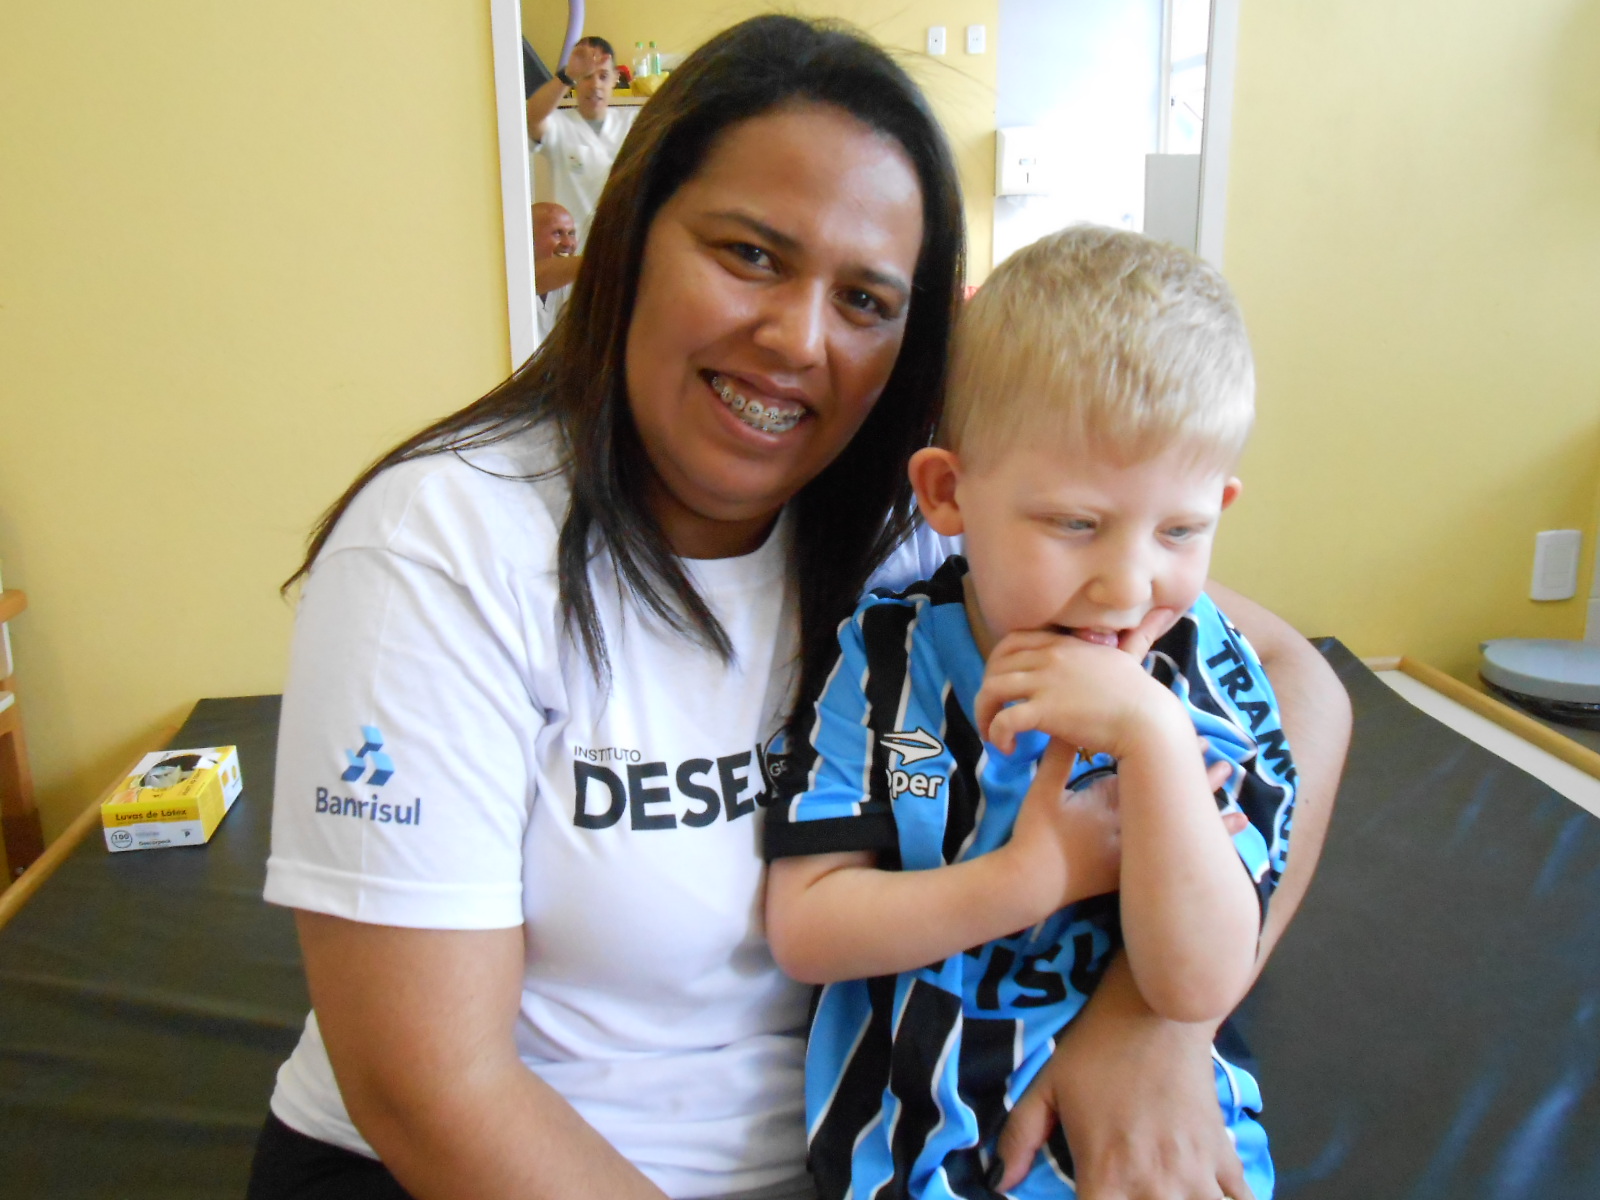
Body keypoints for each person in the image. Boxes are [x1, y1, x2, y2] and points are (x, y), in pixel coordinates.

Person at [247, 15, 1349, 1200]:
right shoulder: (445, 547)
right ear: (632, 239)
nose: (796, 340)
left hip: (868, 1159)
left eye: (868, 301)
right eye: (751, 255)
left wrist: (1152, 1027)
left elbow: (1300, 685)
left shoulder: (913, 528)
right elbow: (432, 1093)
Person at [765, 226, 1288, 1200]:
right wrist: (1033, 875)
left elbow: (1198, 981)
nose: (1124, 588)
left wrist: (1153, 740)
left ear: (1221, 504)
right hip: (903, 1156)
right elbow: (805, 928)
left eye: (1178, 530)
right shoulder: (887, 663)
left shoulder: (1199, 684)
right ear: (948, 492)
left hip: (1146, 1162)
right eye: (1076, 525)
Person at [526, 35, 635, 247]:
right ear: (576, 82)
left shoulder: (632, 122)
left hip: (624, 244)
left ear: (615, 79)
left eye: (603, 76)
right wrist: (567, 75)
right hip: (572, 249)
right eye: (586, 76)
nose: (595, 85)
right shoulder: (559, 125)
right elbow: (531, 117)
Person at [531, 200, 579, 345]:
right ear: (529, 237)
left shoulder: (573, 282)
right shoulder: (507, 279)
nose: (568, 243)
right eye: (558, 233)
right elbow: (534, 279)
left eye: (571, 234)